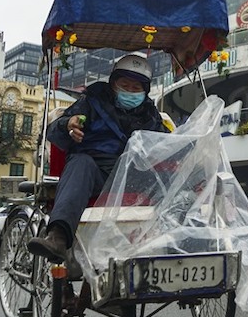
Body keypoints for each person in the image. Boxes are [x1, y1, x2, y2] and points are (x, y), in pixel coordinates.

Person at [27, 53, 168, 263]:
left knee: (175, 175)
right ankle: (58, 237)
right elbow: (56, 130)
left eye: (136, 88)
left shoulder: (151, 115)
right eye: (125, 85)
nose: (130, 91)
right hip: (97, 174)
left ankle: (188, 246)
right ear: (113, 85)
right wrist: (68, 124)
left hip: (134, 176)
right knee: (80, 162)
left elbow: (168, 143)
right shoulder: (91, 103)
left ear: (145, 91)